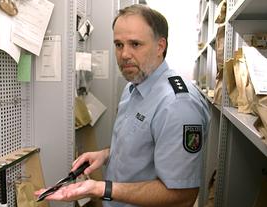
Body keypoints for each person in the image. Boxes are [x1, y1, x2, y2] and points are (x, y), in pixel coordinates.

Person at [35, 4, 210, 207]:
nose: (124, 54)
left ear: (160, 46)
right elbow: (142, 145)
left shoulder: (177, 104)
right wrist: (105, 154)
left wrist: (102, 189)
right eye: (119, 45)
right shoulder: (133, 88)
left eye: (135, 44)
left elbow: (182, 196)